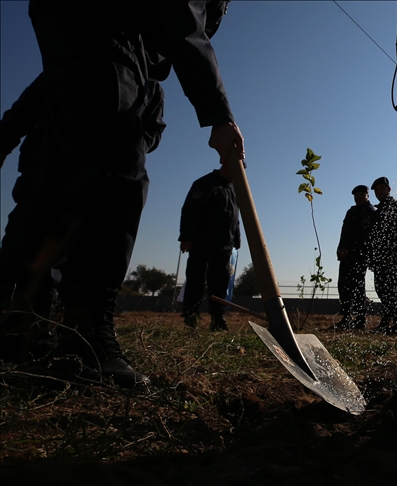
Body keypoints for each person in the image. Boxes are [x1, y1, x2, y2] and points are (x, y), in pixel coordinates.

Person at [0, 1, 243, 388]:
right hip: (103, 34)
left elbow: (150, 126)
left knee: (53, 196)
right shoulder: (204, 184)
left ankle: (22, 336)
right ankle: (84, 342)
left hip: (70, 31)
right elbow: (181, 16)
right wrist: (217, 114)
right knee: (113, 187)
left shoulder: (128, 77)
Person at [0, 73, 165, 365]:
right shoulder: (77, 59)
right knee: (32, 247)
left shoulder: (151, 88)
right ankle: (23, 338)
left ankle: (80, 340)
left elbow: (154, 130)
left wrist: (133, 141)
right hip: (50, 169)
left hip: (109, 178)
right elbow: (27, 106)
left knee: (92, 255)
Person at [178, 164, 241, 332]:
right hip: (201, 243)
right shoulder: (204, 183)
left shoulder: (234, 188)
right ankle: (191, 319)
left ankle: (217, 319)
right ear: (227, 167)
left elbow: (235, 215)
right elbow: (189, 211)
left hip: (224, 246)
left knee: (220, 283)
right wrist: (186, 237)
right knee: (196, 281)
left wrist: (237, 237)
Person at [369, 176, 397, 336]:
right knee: (381, 289)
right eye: (376, 190)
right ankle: (385, 323)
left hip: (391, 257)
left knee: (389, 289)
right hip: (379, 258)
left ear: (388, 189)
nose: (378, 192)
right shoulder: (379, 210)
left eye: (381, 188)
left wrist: (392, 255)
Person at [336, 185, 377, 330]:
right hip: (346, 255)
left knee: (357, 287)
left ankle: (360, 319)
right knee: (343, 285)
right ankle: (346, 316)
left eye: (361, 194)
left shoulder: (370, 212)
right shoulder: (351, 211)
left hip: (359, 255)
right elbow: (344, 233)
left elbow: (364, 236)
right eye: (356, 195)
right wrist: (340, 250)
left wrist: (350, 250)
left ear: (367, 195)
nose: (358, 197)